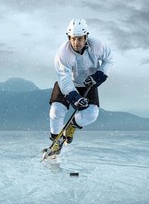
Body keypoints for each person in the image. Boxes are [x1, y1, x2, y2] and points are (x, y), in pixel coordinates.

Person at [43, 18, 114, 158]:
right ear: (69, 37)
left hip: (89, 83)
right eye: (73, 39)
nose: (76, 43)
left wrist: (100, 75)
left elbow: (109, 59)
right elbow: (64, 79)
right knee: (56, 111)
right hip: (68, 84)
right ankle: (55, 142)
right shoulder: (62, 54)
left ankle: (72, 126)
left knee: (92, 114)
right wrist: (74, 97)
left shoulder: (98, 45)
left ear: (86, 36)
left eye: (80, 39)